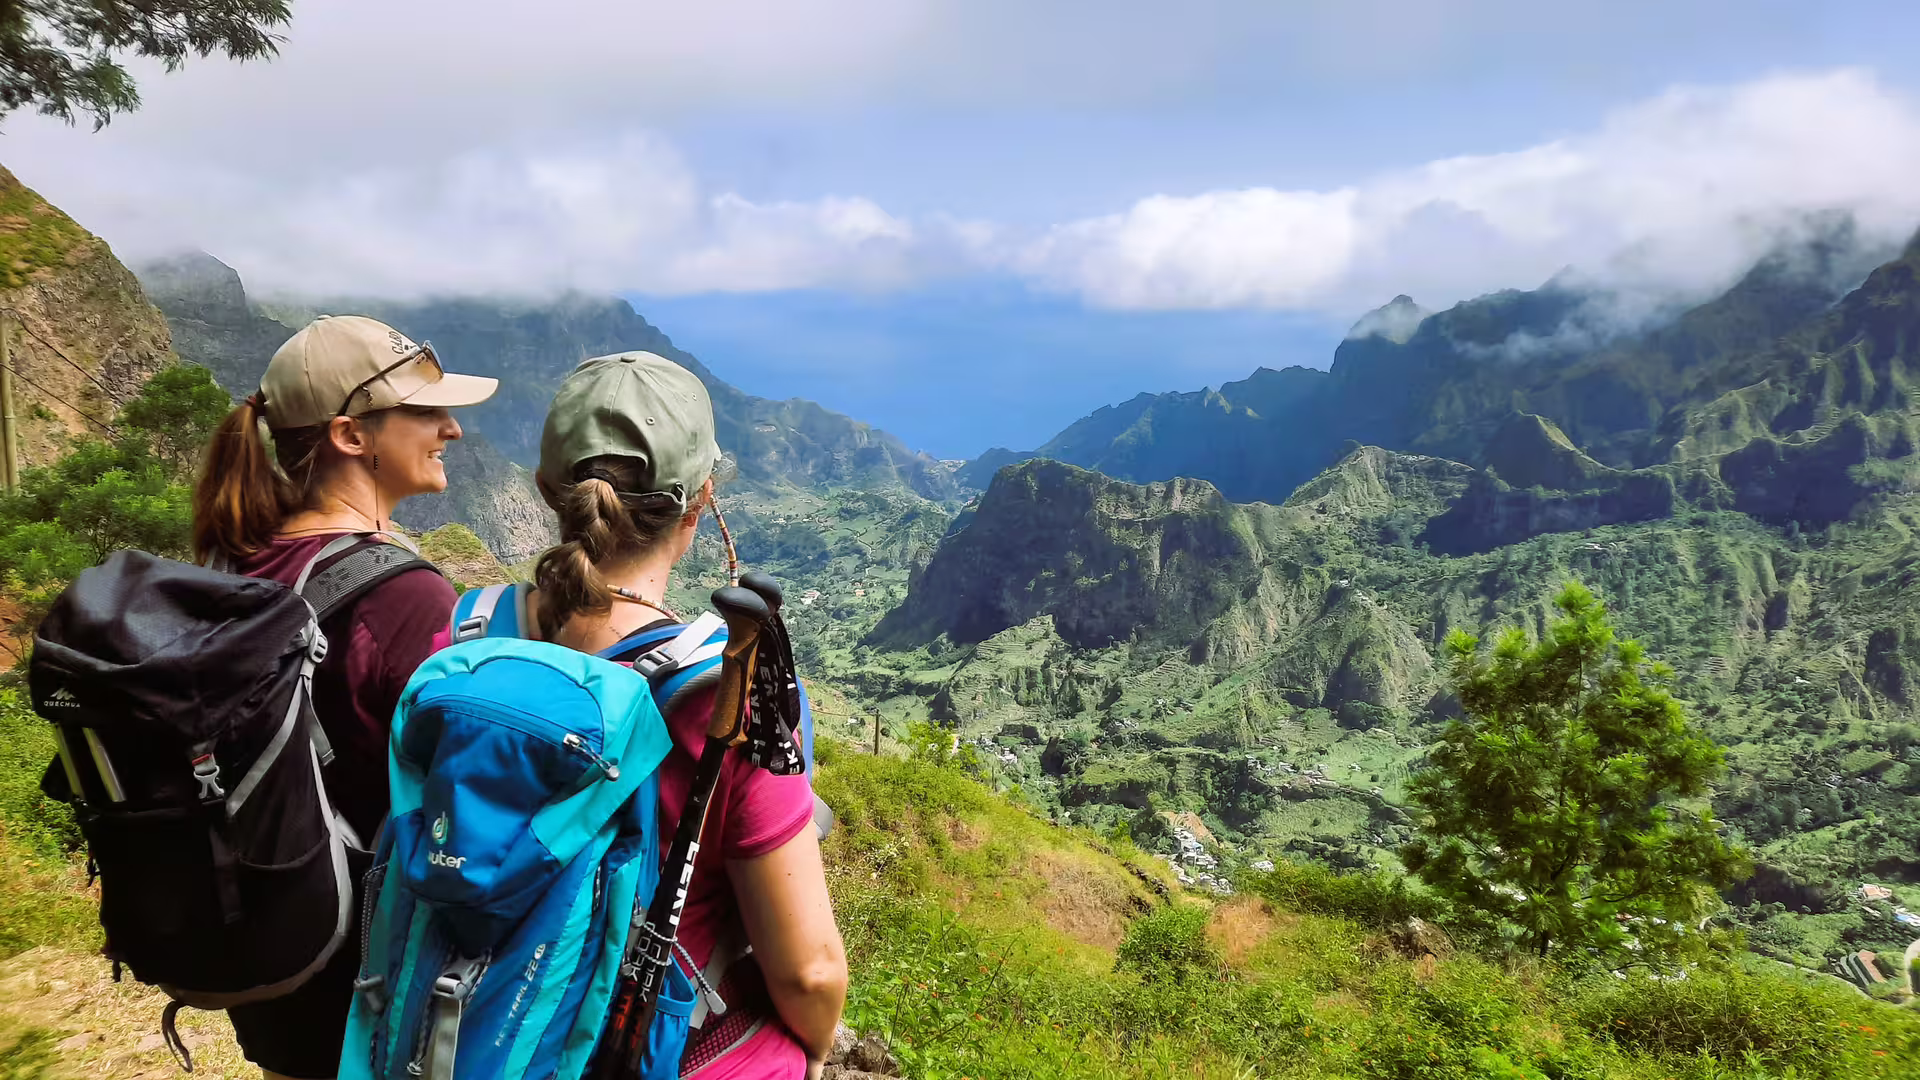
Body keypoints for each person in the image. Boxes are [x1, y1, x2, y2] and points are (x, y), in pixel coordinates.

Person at [190, 314, 497, 1080]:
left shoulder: (240, 568)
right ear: (350, 436)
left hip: (274, 962)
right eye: (425, 412)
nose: (452, 429)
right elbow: (463, 808)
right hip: (373, 983)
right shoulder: (408, 597)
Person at [527, 352, 847, 1079]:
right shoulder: (724, 692)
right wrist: (817, 1053)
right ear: (701, 502)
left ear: (549, 490)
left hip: (474, 1027)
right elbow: (810, 975)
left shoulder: (463, 637)